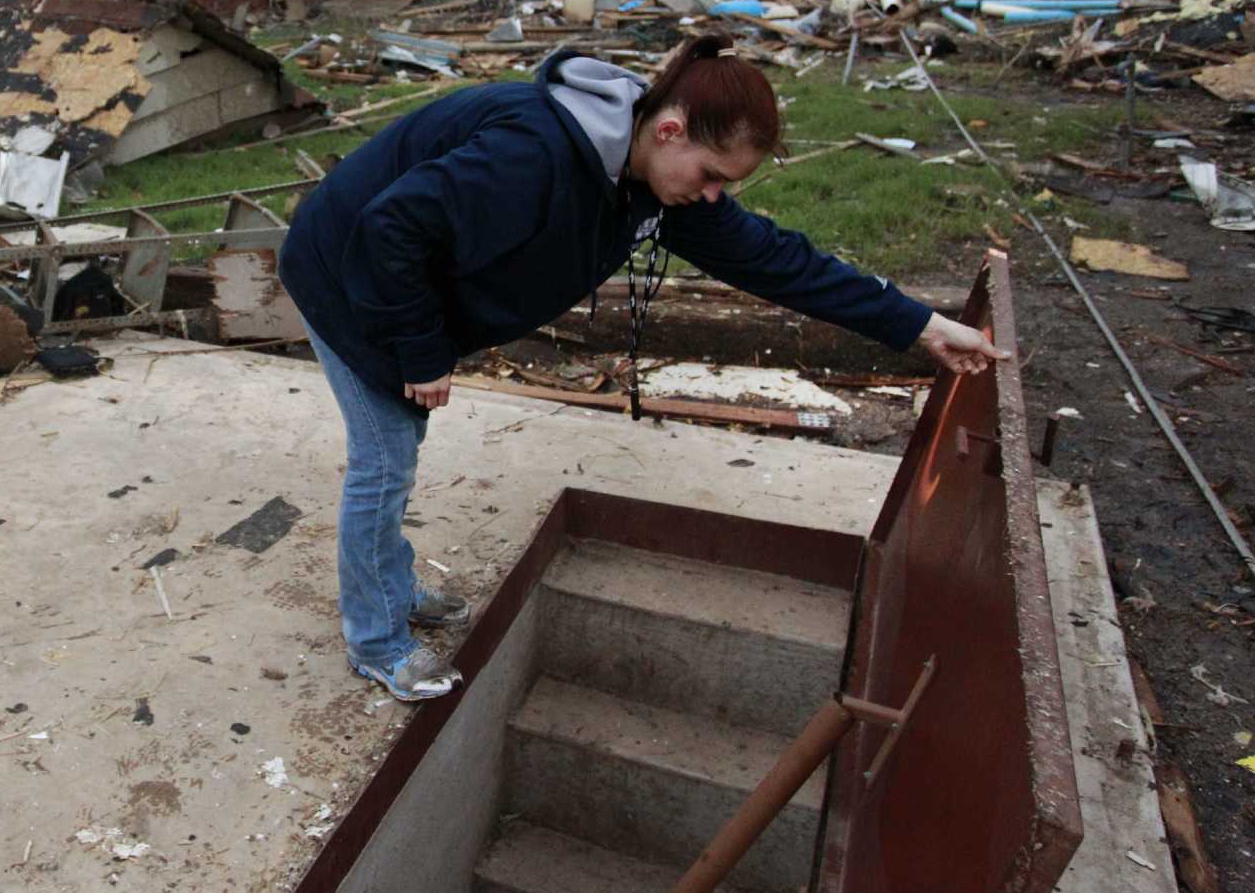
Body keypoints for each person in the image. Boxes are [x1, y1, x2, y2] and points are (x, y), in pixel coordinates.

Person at [277, 35, 1006, 702]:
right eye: (713, 174)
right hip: (344, 270)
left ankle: (390, 585)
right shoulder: (533, 152)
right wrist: (423, 349)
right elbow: (392, 228)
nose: (713, 193)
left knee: (398, 444)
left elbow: (780, 262)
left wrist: (920, 323)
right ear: (669, 129)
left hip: (398, 280)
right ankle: (378, 638)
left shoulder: (652, 180)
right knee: (385, 454)